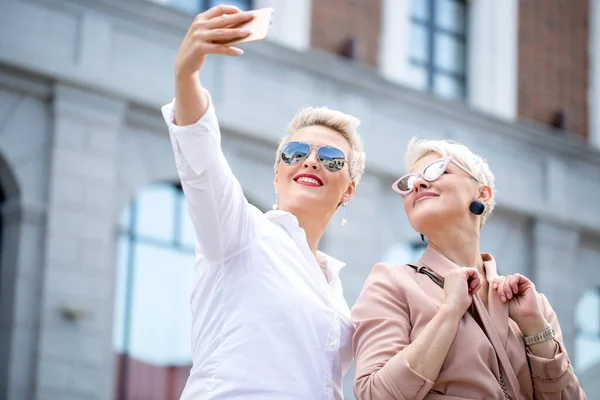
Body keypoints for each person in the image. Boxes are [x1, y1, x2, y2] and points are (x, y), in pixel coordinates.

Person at [161, 4, 366, 399]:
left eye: (330, 159)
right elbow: (203, 163)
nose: (310, 161)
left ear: (349, 190)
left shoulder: (334, 286)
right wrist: (186, 74)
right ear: (277, 173)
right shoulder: (241, 233)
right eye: (296, 152)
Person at [351, 138, 586, 399]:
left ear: (482, 193)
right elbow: (374, 394)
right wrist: (449, 312)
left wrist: (535, 330)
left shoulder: (535, 305)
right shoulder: (391, 283)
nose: (416, 184)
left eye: (438, 170)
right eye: (408, 182)